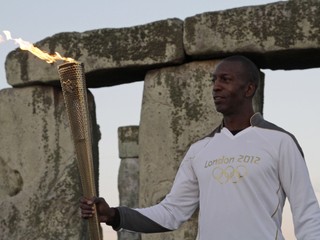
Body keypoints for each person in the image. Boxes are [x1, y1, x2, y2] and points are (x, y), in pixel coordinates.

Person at [80, 55, 320, 239]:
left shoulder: (280, 141)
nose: (215, 86)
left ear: (249, 89)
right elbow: (172, 212)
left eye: (225, 80)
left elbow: (306, 213)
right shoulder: (200, 150)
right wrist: (114, 215)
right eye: (214, 80)